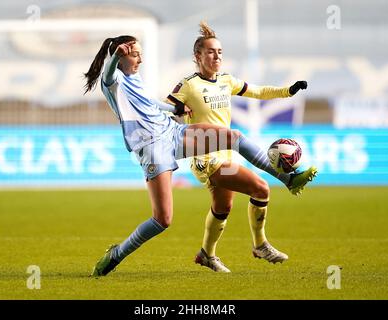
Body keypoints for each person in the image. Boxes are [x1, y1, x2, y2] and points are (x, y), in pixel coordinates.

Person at [83, 35, 315, 277]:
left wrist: (174, 109)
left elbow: (149, 102)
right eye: (134, 54)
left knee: (233, 137)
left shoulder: (134, 77)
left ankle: (288, 179)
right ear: (121, 57)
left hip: (171, 132)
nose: (140, 58)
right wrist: (115, 57)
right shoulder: (112, 80)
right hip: (152, 148)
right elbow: (108, 74)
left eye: (140, 53)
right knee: (162, 219)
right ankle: (116, 254)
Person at [166, 22, 317, 273]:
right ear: (198, 56)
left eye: (220, 52)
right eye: (211, 51)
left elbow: (258, 91)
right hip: (206, 158)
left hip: (225, 154)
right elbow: (166, 111)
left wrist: (288, 91)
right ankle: (261, 244)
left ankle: (206, 254)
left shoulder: (226, 81)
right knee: (260, 188)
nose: (217, 56)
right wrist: (177, 113)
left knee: (222, 207)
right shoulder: (188, 85)